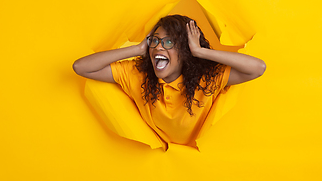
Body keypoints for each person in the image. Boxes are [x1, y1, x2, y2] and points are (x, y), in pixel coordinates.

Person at [73, 14, 266, 149]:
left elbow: (258, 68)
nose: (158, 48)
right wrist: (138, 49)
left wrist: (201, 52)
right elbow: (81, 67)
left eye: (169, 43)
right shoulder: (137, 74)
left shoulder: (207, 79)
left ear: (185, 51)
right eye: (155, 41)